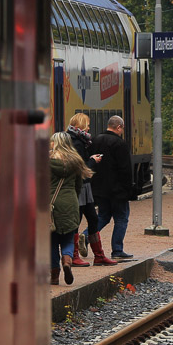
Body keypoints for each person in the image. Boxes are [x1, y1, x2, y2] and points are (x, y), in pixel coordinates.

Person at [66, 114, 115, 267]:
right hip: (80, 186)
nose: (88, 128)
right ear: (80, 126)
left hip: (85, 187)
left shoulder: (78, 140)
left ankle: (99, 256)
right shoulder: (77, 143)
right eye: (87, 125)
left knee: (93, 218)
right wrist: (93, 160)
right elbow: (81, 167)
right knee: (77, 220)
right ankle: (74, 256)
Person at [49, 132, 93, 285]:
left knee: (51, 241)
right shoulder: (76, 161)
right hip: (70, 203)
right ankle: (67, 260)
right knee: (68, 237)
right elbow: (78, 187)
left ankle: (54, 275)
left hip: (51, 205)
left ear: (55, 143)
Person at [92, 115, 137, 260]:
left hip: (100, 189)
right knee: (121, 218)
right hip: (117, 190)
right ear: (118, 127)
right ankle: (117, 250)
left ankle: (85, 237)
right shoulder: (120, 143)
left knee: (103, 216)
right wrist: (128, 190)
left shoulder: (95, 140)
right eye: (122, 128)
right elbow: (125, 169)